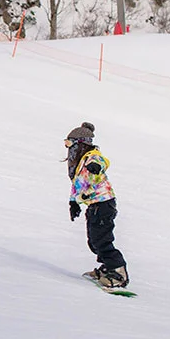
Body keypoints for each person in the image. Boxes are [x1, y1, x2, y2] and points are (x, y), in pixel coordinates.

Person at [65, 122, 129, 288]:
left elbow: (103, 161)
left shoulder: (91, 156)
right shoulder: (79, 162)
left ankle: (118, 272)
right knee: (93, 241)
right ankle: (107, 268)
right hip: (94, 205)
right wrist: (74, 202)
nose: (67, 147)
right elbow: (79, 184)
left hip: (103, 204)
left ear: (81, 143)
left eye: (70, 143)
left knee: (101, 240)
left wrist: (97, 166)